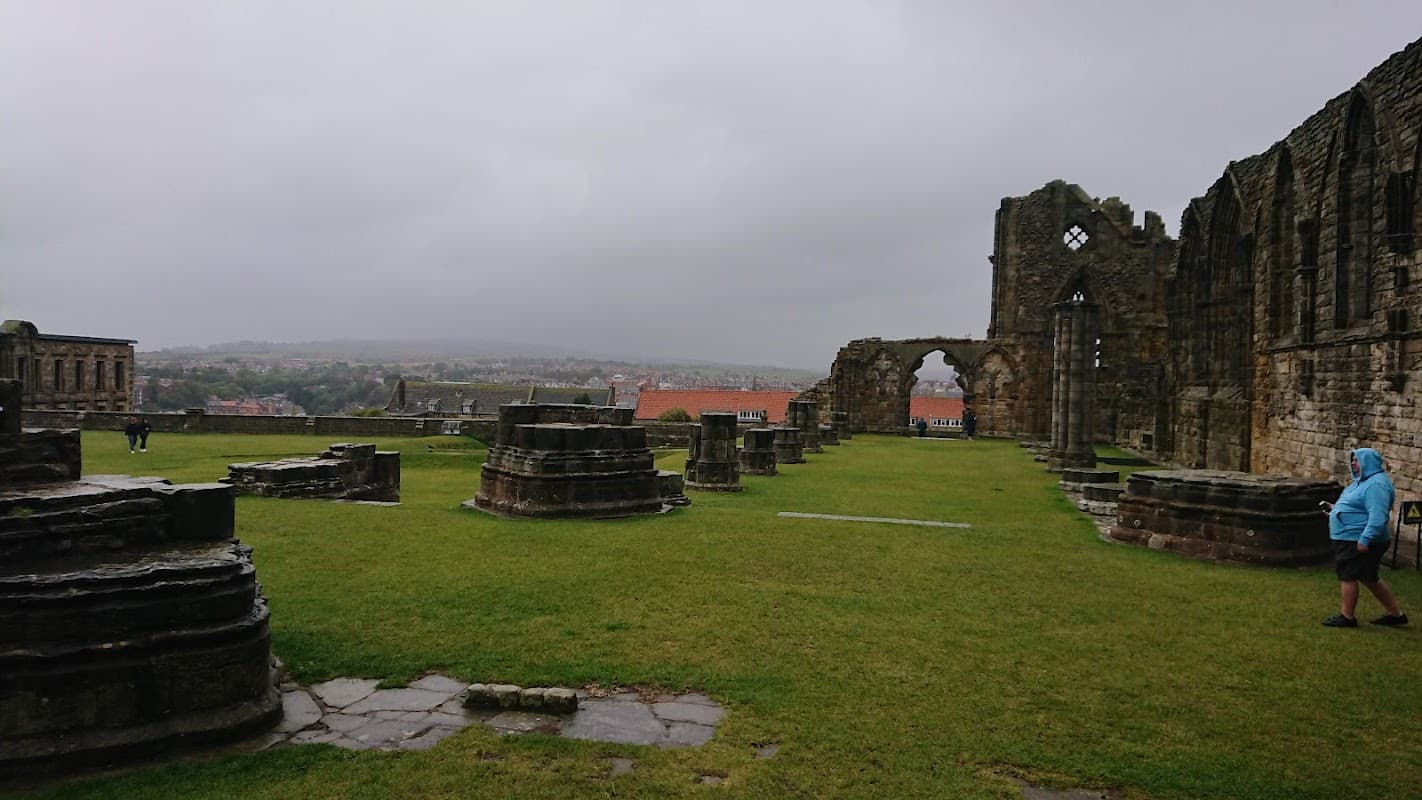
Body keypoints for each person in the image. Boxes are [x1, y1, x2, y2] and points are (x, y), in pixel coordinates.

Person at [1320, 448, 1408, 628]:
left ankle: (1347, 616)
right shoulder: (1362, 481)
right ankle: (1396, 614)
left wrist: (1365, 538)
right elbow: (1357, 506)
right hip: (1351, 536)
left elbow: (1378, 516)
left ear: (1369, 462)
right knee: (1369, 577)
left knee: (1348, 574)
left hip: (1356, 538)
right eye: (1352, 460)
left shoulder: (1376, 485)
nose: (1353, 464)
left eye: (1357, 460)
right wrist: (1336, 509)